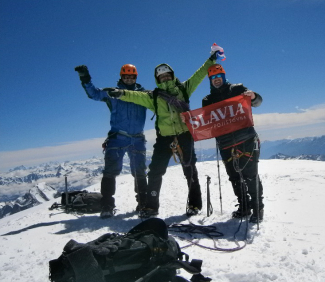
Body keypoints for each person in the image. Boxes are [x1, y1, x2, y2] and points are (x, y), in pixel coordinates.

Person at [106, 53, 217, 218]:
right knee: (155, 171)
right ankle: (151, 207)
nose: (164, 78)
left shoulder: (183, 89)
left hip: (184, 135)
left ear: (172, 76)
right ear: (158, 79)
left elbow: (199, 75)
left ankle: (194, 204)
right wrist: (121, 93)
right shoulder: (154, 96)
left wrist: (211, 60)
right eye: (161, 76)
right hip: (164, 138)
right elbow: (136, 96)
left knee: (190, 170)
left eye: (167, 75)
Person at [74, 64, 149, 218]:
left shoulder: (144, 94)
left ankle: (143, 204)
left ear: (136, 77)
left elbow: (161, 101)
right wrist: (85, 78)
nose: (128, 79)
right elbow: (94, 94)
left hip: (137, 138)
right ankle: (107, 206)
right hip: (117, 138)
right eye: (126, 76)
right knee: (110, 172)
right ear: (121, 77)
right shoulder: (112, 93)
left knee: (140, 172)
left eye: (131, 76)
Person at [202, 64, 264, 223]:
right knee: (234, 176)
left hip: (246, 139)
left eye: (218, 77)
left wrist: (253, 96)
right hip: (225, 143)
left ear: (223, 77)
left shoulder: (238, 90)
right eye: (213, 78)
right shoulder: (208, 100)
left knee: (250, 175)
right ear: (210, 81)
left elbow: (257, 102)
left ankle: (258, 208)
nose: (216, 80)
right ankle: (244, 206)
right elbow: (207, 120)